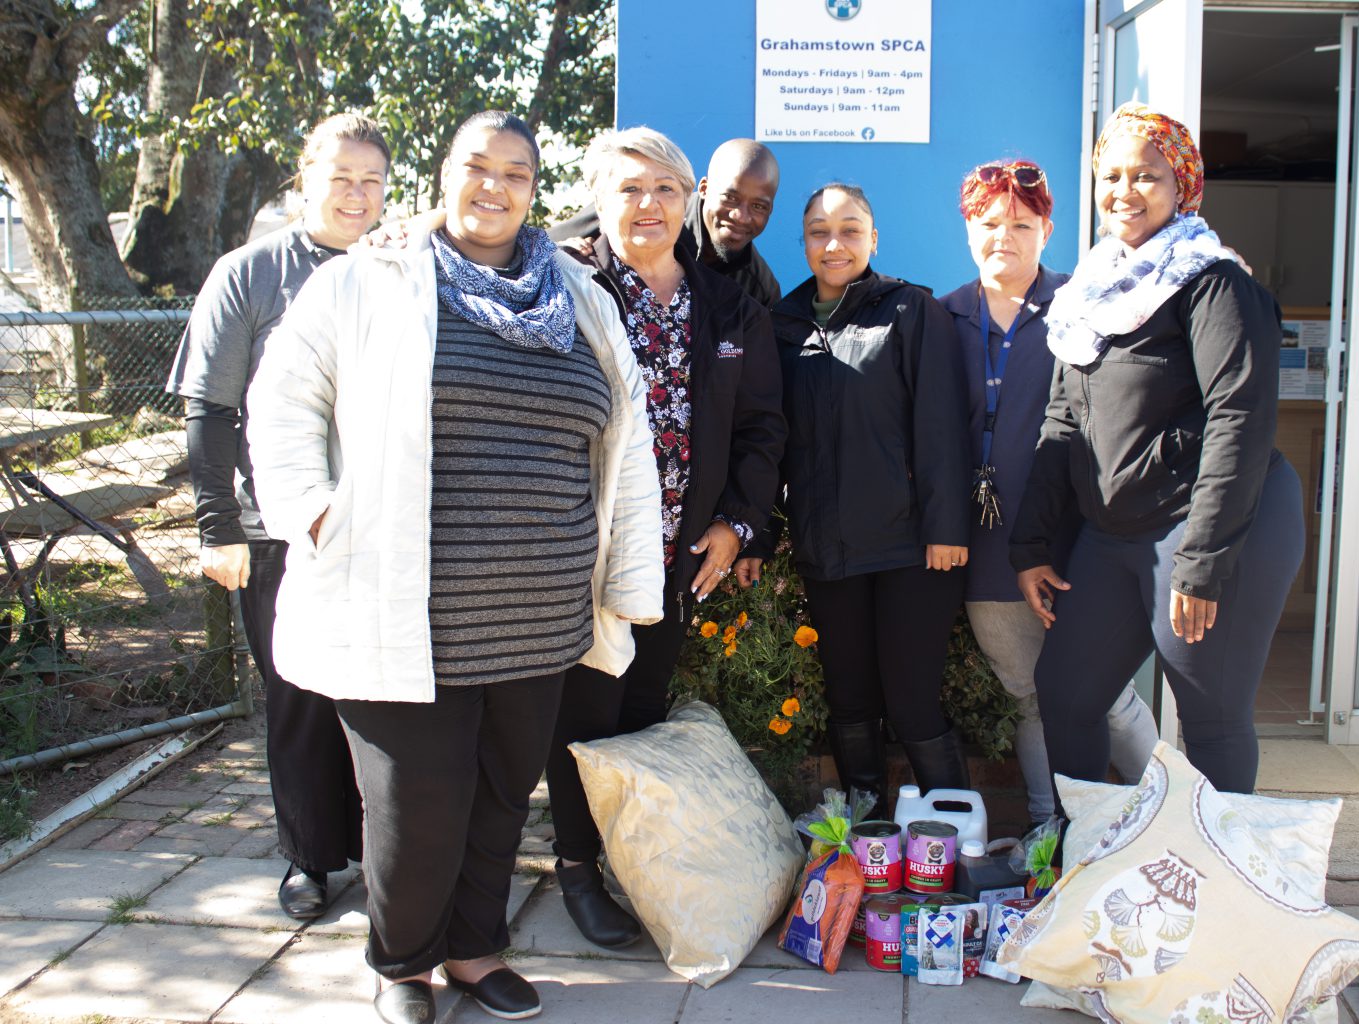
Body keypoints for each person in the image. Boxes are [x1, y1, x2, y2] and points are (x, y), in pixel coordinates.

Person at [247, 110, 663, 1024]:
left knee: (501, 794)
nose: (495, 186)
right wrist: (315, 513)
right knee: (415, 802)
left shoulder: (583, 301)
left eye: (517, 172)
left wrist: (629, 581)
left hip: (543, 613)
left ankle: (476, 949)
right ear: (444, 176)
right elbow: (281, 400)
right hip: (408, 611)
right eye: (478, 166)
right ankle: (403, 964)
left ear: (534, 190)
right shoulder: (372, 281)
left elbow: (626, 446)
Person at [1012, 103, 1305, 796]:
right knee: (1066, 690)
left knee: (1210, 715)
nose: (1124, 190)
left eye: (1145, 175)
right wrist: (1032, 545)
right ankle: (1084, 854)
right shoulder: (1092, 289)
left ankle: (1216, 878)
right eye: (1110, 175)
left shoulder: (1215, 282)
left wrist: (1202, 561)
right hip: (1115, 532)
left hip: (1211, 526)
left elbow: (1240, 419)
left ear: (1182, 184)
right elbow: (1063, 421)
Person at [543, 127, 786, 949]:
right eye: (629, 189)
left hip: (678, 557)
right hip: (587, 552)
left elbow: (762, 429)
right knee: (585, 711)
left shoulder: (730, 307)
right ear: (601, 200)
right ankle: (575, 866)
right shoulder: (564, 287)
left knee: (640, 708)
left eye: (664, 190)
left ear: (687, 203)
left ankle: (625, 856)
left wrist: (737, 525)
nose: (647, 205)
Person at [165, 112, 389, 920]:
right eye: (341, 177)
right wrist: (217, 526)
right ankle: (309, 858)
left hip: (380, 530)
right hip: (278, 533)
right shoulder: (251, 273)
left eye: (371, 180)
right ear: (305, 177)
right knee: (298, 697)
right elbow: (209, 408)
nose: (357, 195)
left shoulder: (397, 272)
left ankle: (382, 851)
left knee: (381, 697)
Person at [938, 160, 1157, 827]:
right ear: (969, 227)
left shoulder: (1082, 307)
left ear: (1047, 230)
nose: (1004, 235)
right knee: (1029, 696)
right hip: (983, 549)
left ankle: (1186, 815)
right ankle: (1047, 830)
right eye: (990, 221)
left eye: (1022, 224)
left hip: (1073, 542)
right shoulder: (939, 316)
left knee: (1102, 692)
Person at [746, 183, 971, 816]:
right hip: (828, 546)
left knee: (911, 699)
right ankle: (866, 831)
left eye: (850, 229)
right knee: (848, 695)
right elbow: (767, 439)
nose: (834, 242)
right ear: (804, 243)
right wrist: (761, 533)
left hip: (911, 548)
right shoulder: (782, 325)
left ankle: (954, 833)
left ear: (873, 239)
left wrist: (947, 526)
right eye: (819, 230)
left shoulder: (909, 312)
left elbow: (941, 426)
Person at [548, 138, 782, 307]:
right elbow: (541, 244)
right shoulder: (639, 211)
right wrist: (562, 251)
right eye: (730, 198)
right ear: (703, 189)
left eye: (758, 206)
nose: (740, 215)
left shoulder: (759, 289)